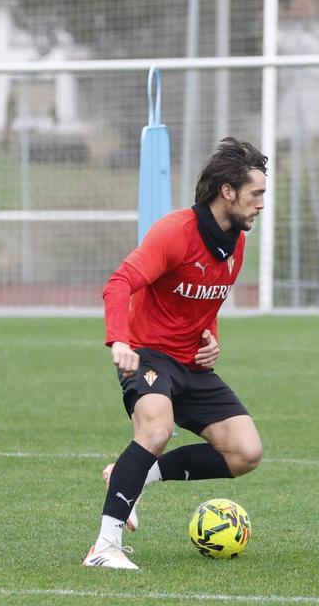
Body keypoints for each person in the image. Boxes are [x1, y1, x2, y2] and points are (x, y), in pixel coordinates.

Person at [83, 137, 268, 570]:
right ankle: (104, 547)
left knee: (245, 452)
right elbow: (119, 284)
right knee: (155, 429)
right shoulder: (175, 232)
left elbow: (207, 302)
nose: (261, 204)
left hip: (190, 365)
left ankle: (132, 474)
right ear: (228, 191)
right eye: (255, 193)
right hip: (149, 356)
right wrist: (121, 341)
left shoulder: (236, 241)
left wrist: (211, 338)